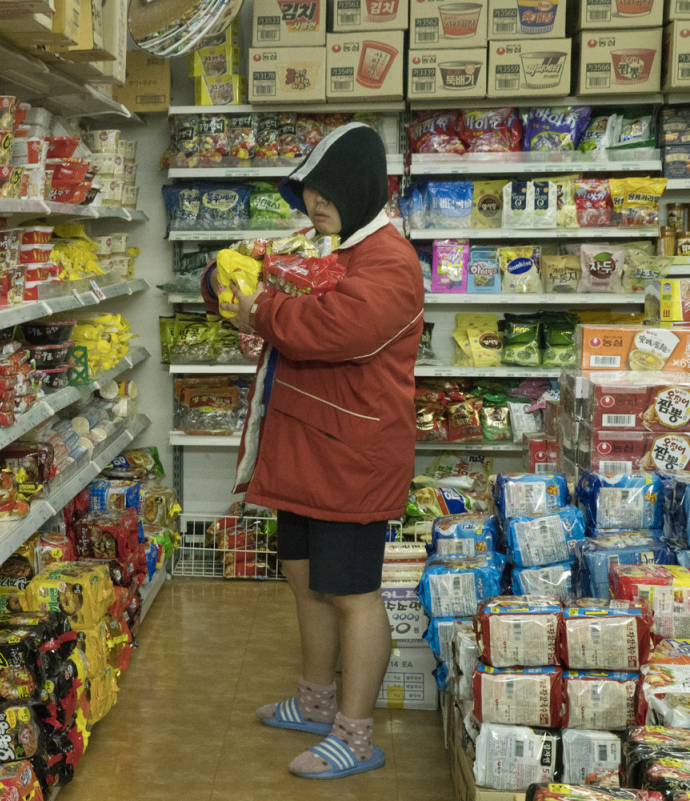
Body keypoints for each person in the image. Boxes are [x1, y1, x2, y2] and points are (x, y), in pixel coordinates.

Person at [200, 123, 423, 779]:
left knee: (353, 593)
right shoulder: (332, 251)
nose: (314, 204)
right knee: (304, 580)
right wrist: (227, 283)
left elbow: (336, 330)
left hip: (353, 458)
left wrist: (259, 309)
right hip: (305, 448)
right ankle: (317, 699)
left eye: (327, 192)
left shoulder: (390, 261)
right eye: (307, 192)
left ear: (361, 188)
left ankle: (354, 734)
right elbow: (274, 294)